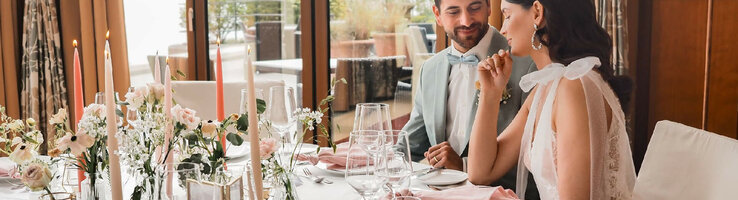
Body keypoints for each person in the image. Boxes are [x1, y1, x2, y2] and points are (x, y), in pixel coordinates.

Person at [466, 0, 637, 199]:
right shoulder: (547, 87)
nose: (502, 30)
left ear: (537, 12)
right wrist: (490, 93)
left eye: (507, 15)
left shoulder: (575, 86)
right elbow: (481, 173)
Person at [396, 0, 539, 198]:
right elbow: (408, 146)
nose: (466, 20)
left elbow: (534, 160)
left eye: (474, 8)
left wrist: (463, 165)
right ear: (437, 14)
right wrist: (370, 158)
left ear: (489, 7)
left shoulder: (529, 60)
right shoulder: (430, 69)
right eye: (454, 11)